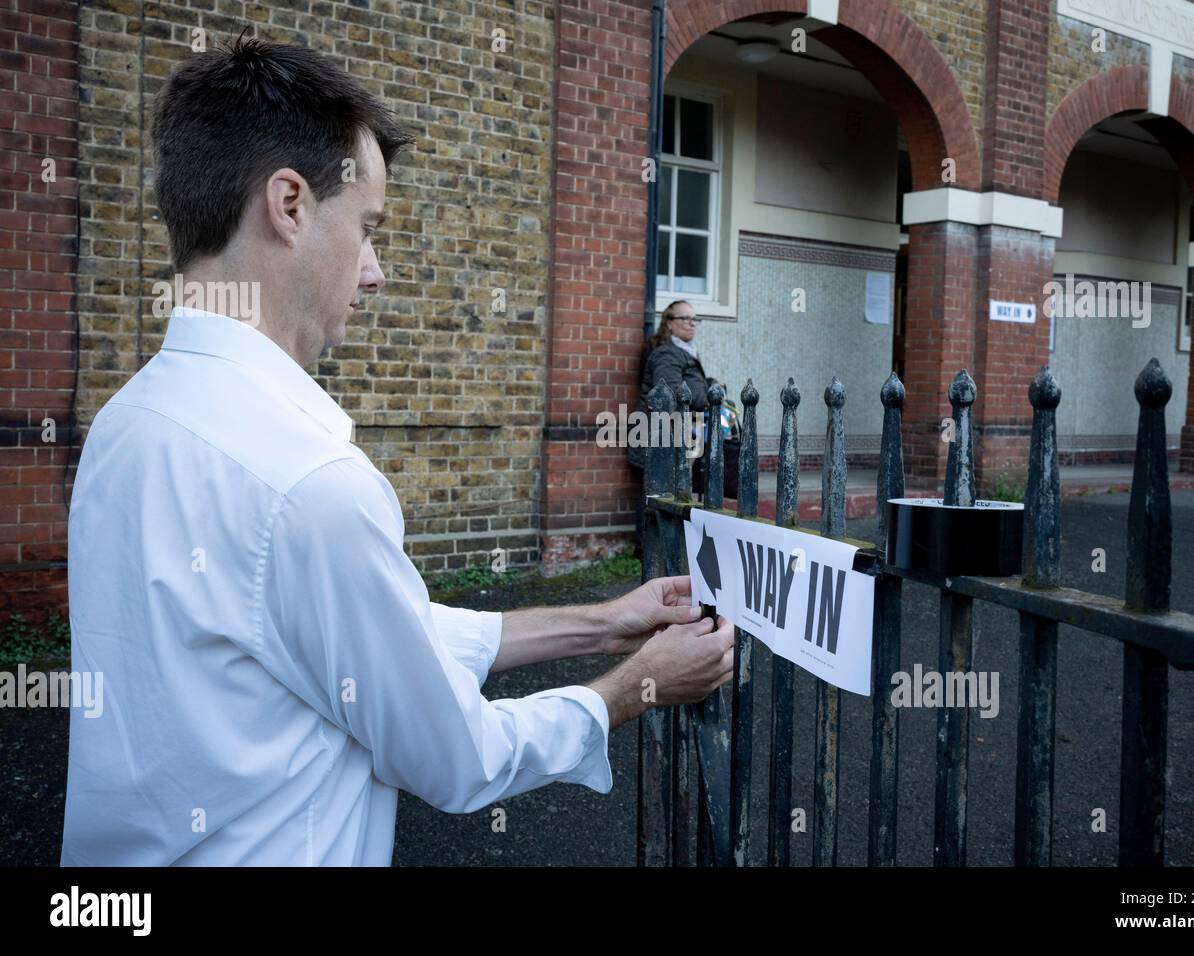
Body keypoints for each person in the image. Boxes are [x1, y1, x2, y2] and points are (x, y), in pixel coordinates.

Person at [61, 37, 734, 866]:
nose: (374, 271)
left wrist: (604, 621)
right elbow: (457, 757)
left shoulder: (128, 422)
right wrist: (637, 684)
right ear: (291, 204)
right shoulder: (309, 484)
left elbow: (370, 638)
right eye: (368, 226)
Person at [628, 301, 722, 554]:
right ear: (669, 323)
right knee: (657, 492)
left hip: (675, 433)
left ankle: (660, 549)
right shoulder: (667, 353)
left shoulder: (684, 351)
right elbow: (671, 394)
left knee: (665, 490)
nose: (692, 323)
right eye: (685, 318)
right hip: (661, 434)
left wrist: (710, 384)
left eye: (695, 319)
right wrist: (708, 395)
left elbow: (687, 385)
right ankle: (650, 551)